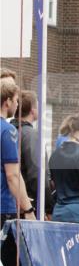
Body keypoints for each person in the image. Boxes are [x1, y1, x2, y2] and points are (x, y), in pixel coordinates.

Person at [11, 90, 53, 215]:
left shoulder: (9, 131)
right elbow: (37, 175)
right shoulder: (31, 135)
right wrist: (48, 207)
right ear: (33, 110)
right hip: (28, 205)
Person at [1, 78, 35, 226]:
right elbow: (13, 175)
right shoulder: (8, 131)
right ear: (7, 101)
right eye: (16, 100)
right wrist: (28, 210)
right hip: (3, 207)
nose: (17, 105)